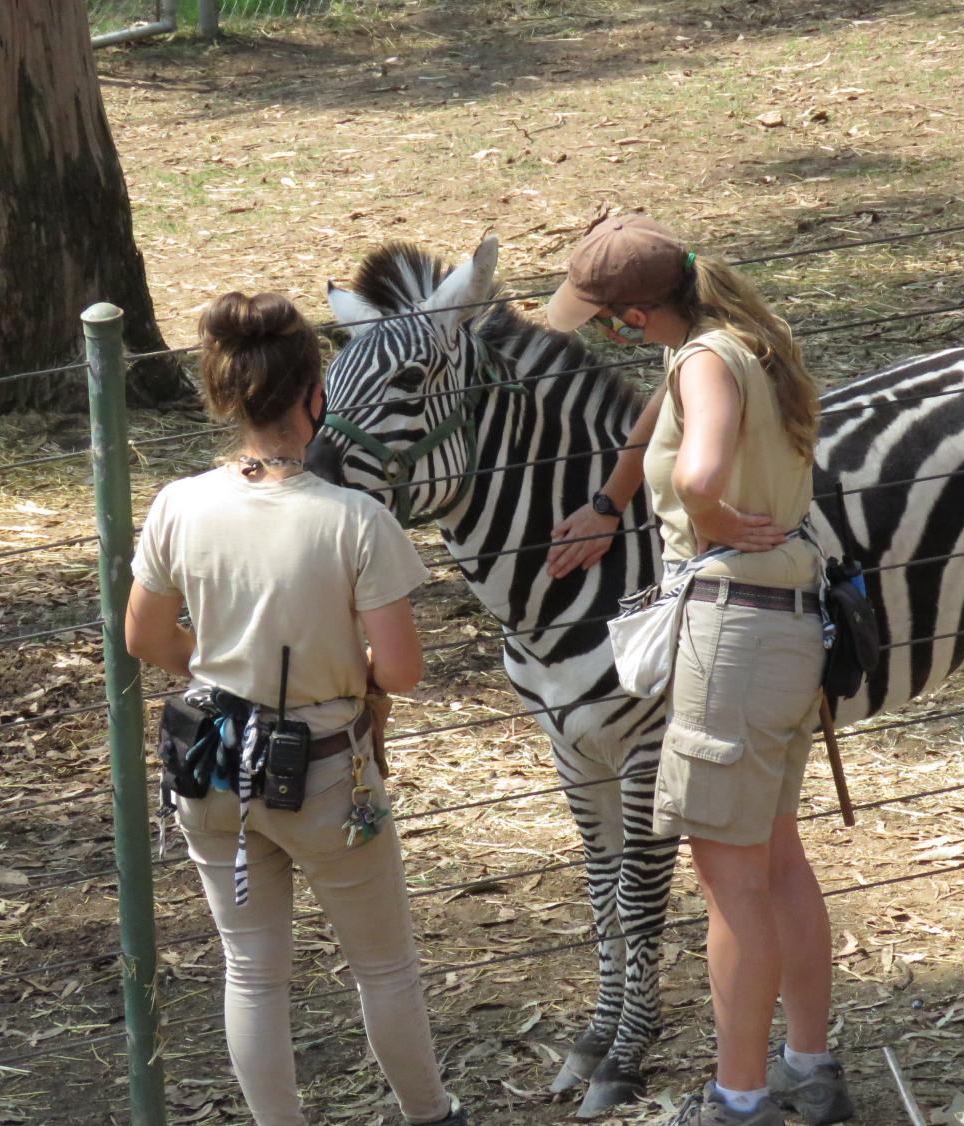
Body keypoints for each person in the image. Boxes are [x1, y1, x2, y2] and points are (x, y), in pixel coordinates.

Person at [125, 292, 467, 1126]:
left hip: (208, 765)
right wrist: (340, 674)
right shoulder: (357, 520)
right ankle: (432, 1115)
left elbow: (142, 634)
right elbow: (405, 670)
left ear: (224, 394)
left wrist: (212, 664)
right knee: (383, 969)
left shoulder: (178, 503)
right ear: (316, 398)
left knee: (251, 970)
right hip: (322, 773)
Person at [546, 216, 855, 1126]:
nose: (606, 333)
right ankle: (807, 1066)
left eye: (607, 319)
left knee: (729, 882)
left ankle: (738, 1097)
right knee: (777, 858)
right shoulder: (747, 345)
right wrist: (615, 496)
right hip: (789, 630)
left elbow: (699, 470)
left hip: (732, 638)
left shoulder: (704, 363)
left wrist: (704, 516)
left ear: (635, 316)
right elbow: (674, 414)